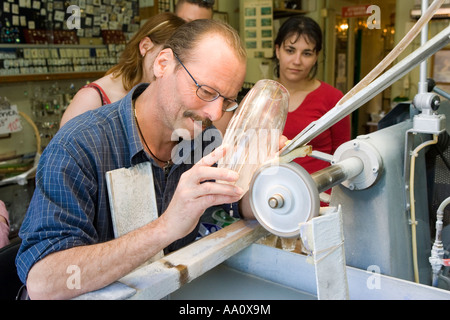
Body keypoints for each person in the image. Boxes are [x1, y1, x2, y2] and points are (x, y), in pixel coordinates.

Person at [16, 19, 262, 300]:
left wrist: (266, 176)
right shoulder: (80, 145)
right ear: (163, 64)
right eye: (206, 92)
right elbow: (44, 282)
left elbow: (235, 204)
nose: (215, 113)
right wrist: (167, 226)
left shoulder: (200, 142)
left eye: (226, 100)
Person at [59, 12, 186, 128]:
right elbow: (62, 150)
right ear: (145, 46)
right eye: (165, 59)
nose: (169, 71)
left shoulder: (161, 96)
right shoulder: (91, 98)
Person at [274, 16, 350, 177]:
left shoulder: (334, 99)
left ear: (316, 57)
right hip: (269, 193)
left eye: (306, 53)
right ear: (277, 51)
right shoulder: (263, 96)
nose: (297, 61)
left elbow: (343, 158)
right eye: (290, 50)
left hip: (319, 194)